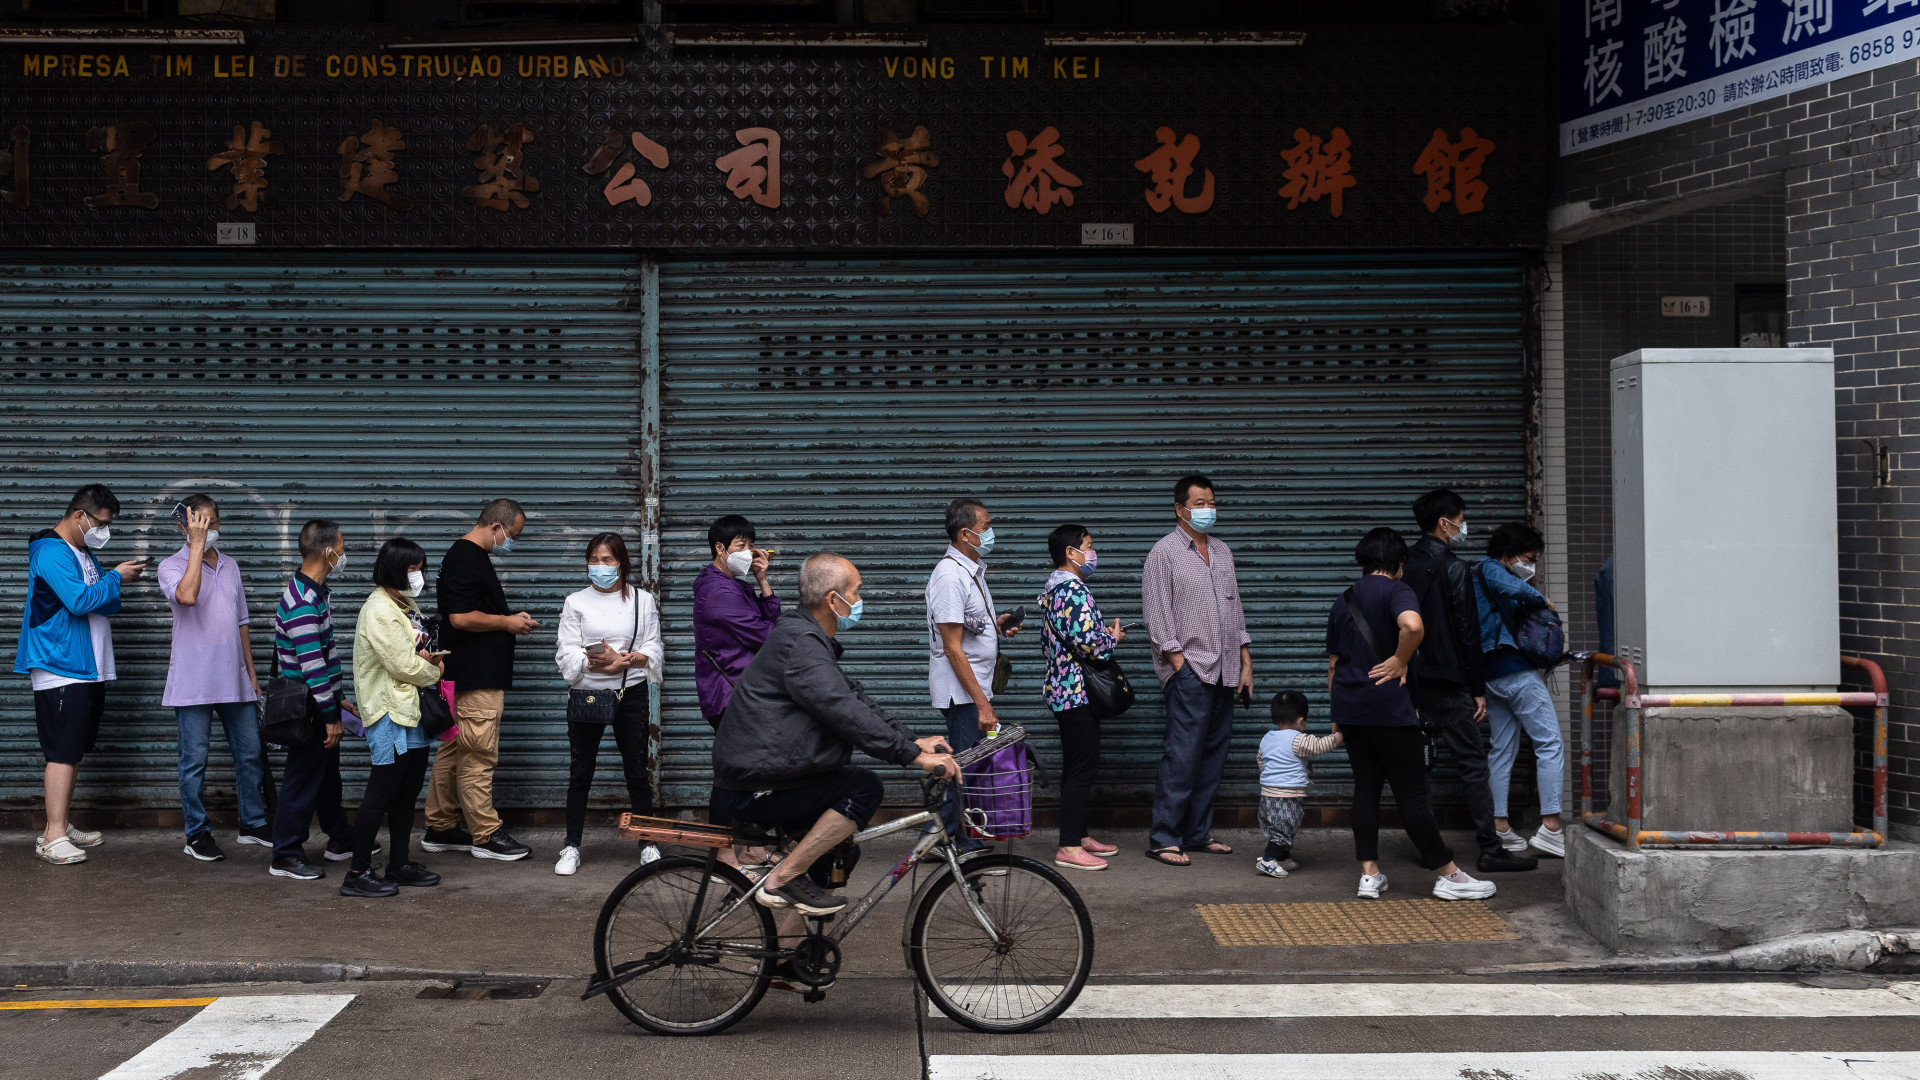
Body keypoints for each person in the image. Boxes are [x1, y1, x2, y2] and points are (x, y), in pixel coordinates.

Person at [712, 552, 958, 917]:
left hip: (768, 773)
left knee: (838, 855)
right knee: (863, 787)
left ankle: (788, 963)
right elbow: (841, 709)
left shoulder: (806, 639)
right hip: (754, 784)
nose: (859, 602)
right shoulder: (800, 644)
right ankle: (783, 877)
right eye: (856, 593)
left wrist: (911, 740)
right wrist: (912, 756)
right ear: (833, 599)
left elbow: (853, 697)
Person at [1326, 527, 1496, 902]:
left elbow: (1334, 666)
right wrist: (1400, 660)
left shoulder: (1344, 599)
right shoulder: (1398, 590)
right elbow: (1413, 626)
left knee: (1366, 788)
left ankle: (1369, 875)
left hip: (1351, 710)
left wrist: (1338, 712)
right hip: (1389, 709)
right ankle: (1448, 874)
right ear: (1399, 562)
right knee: (1412, 795)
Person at [1404, 489, 1538, 875]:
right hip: (1448, 681)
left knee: (1417, 767)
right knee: (1472, 764)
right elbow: (1468, 633)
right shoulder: (1455, 568)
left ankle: (1431, 850)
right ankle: (1490, 849)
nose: (1464, 526)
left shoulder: (1404, 564)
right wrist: (1477, 688)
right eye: (1461, 518)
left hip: (1409, 679)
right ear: (1445, 523)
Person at [14, 484, 145, 866]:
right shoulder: (52, 552)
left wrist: (115, 581)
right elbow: (79, 601)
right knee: (61, 751)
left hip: (87, 667)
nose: (104, 530)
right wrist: (117, 576)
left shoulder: (82, 552)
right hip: (61, 665)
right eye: (101, 523)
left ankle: (61, 823)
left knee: (72, 750)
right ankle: (51, 836)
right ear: (79, 516)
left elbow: (107, 601)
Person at [1140, 473, 1251, 866]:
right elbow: (1157, 615)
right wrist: (1178, 664)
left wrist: (1245, 663)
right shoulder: (1163, 554)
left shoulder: (1222, 552)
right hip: (1190, 670)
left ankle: (1197, 834)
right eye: (1200, 503)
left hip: (1225, 670)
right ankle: (1164, 837)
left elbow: (1235, 611)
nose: (1208, 509)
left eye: (1211, 502)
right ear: (1180, 508)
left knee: (1213, 755)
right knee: (1182, 755)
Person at [157, 494, 268, 863]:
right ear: (182, 528)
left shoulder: (231, 566)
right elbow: (187, 597)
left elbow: (242, 623)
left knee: (250, 754)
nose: (207, 529)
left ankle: (252, 823)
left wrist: (251, 674)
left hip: (234, 679)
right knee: (194, 762)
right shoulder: (170, 566)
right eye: (198, 523)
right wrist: (196, 548)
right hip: (192, 682)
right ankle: (197, 833)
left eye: (211, 522)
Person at [425, 498, 537, 862]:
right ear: (495, 527)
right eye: (512, 535)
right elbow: (459, 617)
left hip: (464, 674)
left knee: (454, 749)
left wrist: (506, 616)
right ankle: (485, 835)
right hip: (476, 677)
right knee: (478, 754)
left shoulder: (466, 556)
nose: (511, 542)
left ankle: (439, 827)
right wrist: (506, 622)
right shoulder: (466, 557)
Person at [554, 531, 665, 876]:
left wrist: (627, 662)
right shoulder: (576, 602)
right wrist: (595, 662)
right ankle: (571, 846)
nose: (599, 567)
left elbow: (654, 646)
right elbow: (566, 651)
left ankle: (647, 842)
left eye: (607, 560)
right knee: (580, 771)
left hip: (630, 693)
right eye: (594, 560)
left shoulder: (641, 601)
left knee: (636, 769)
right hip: (587, 694)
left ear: (621, 563)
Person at [343, 537, 446, 898]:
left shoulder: (404, 604)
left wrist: (427, 660)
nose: (417, 574)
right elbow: (403, 665)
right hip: (389, 713)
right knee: (381, 793)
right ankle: (356, 872)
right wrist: (435, 669)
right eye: (410, 567)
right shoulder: (379, 610)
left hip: (411, 711)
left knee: (406, 794)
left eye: (419, 567)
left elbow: (417, 652)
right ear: (392, 568)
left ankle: (399, 863)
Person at [924, 497, 1020, 853]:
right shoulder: (949, 577)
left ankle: (944, 837)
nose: (991, 533)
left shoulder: (968, 571)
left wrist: (995, 628)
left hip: (973, 686)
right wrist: (982, 705)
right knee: (962, 764)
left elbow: (965, 630)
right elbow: (951, 647)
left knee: (963, 762)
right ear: (966, 534)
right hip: (963, 691)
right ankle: (947, 840)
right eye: (986, 527)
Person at [268, 519, 358, 881]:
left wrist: (341, 701)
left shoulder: (313, 591)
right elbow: (312, 666)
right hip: (310, 709)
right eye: (342, 546)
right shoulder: (304, 602)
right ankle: (285, 854)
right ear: (327, 551)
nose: (344, 554)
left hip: (320, 703)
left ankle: (339, 839)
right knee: (302, 780)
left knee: (326, 777)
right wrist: (329, 716)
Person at [1474, 522, 1568, 858]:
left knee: (1502, 749)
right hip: (1512, 670)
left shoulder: (1489, 579)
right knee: (1549, 743)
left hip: (1492, 675)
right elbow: (1514, 589)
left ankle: (1501, 828)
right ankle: (1551, 827)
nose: (1530, 565)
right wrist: (1542, 600)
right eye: (1528, 558)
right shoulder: (1489, 568)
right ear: (1508, 552)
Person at [1039, 523, 1124, 871]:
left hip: (1067, 689)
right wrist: (1113, 638)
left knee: (1079, 767)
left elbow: (1076, 635)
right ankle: (1069, 847)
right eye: (1088, 545)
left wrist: (1098, 634)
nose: (1093, 552)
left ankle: (1081, 835)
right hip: (1076, 691)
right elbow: (1090, 645)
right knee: (1080, 769)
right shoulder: (1071, 590)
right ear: (1071, 553)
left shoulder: (1057, 589)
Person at [693, 514, 780, 728]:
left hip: (743, 691)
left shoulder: (734, 585)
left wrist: (762, 581)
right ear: (720, 548)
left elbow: (770, 623)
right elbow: (767, 636)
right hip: (731, 694)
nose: (748, 552)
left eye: (751, 546)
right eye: (741, 546)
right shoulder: (719, 591)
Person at [1255, 691, 1343, 879]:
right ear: (1301, 720)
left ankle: (1283, 857)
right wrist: (1338, 737)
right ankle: (1268, 859)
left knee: (1277, 828)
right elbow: (1320, 745)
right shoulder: (1298, 739)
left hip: (1267, 795)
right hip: (1286, 795)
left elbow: (1261, 762)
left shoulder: (1267, 738)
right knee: (1285, 827)